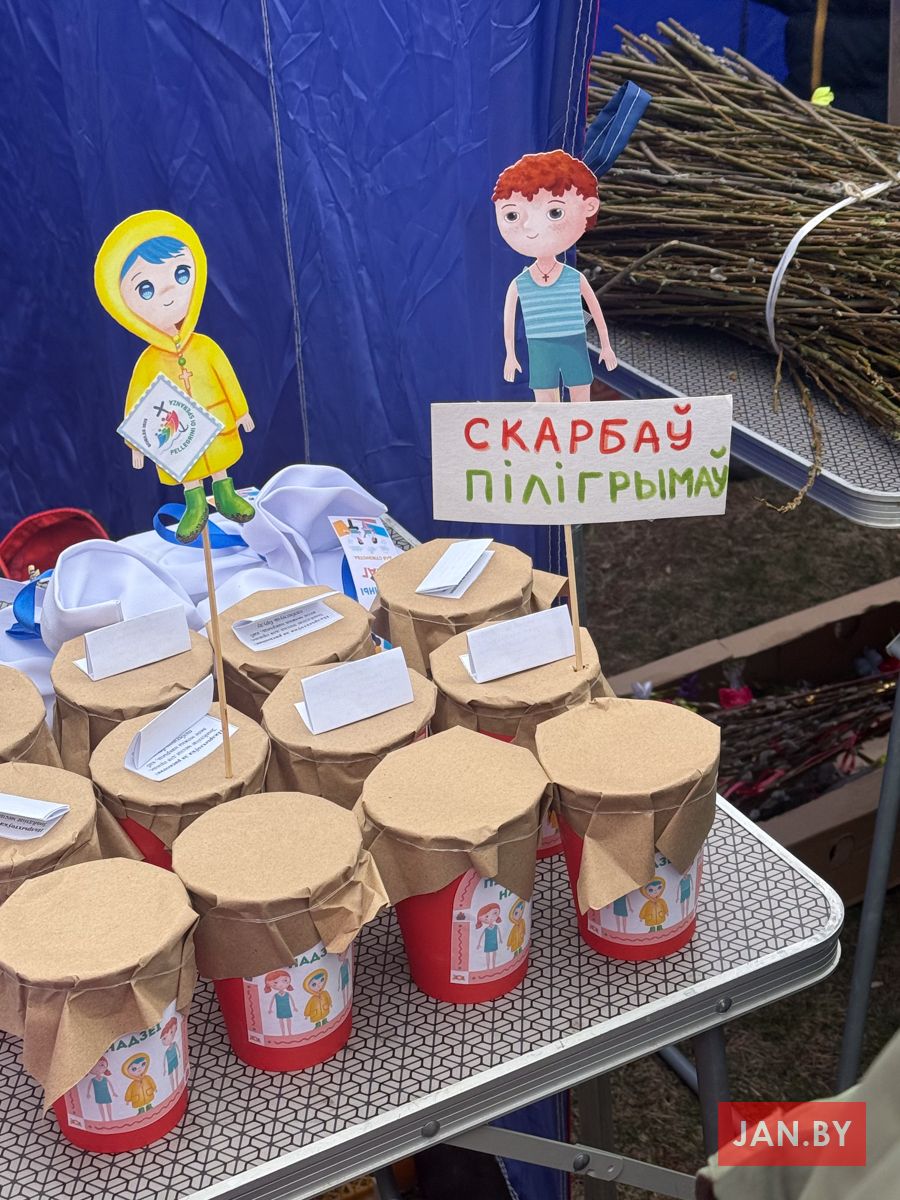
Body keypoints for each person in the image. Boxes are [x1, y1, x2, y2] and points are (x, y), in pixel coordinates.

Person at [94, 211, 256, 544]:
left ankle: (225, 493)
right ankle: (194, 503)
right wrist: (135, 444)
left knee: (220, 462)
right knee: (188, 467)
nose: (168, 293)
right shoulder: (147, 364)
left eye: (181, 273)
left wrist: (241, 411)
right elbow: (138, 403)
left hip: (217, 421)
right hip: (178, 435)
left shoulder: (206, 347)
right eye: (146, 289)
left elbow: (226, 376)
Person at [493, 149, 617, 402]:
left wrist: (606, 346)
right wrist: (510, 355)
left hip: (574, 342)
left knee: (581, 399)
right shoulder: (519, 284)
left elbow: (595, 311)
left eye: (554, 212)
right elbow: (508, 322)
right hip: (539, 346)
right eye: (512, 215)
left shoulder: (574, 278)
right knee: (545, 402)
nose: (531, 227)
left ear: (589, 207)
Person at [264, 969, 298, 1036]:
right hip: (280, 1010)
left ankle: (290, 1033)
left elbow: (292, 1000)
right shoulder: (275, 995)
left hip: (287, 1009)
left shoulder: (287, 994)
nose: (280, 985)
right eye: (275, 983)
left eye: (284, 981)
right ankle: (283, 1034)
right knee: (281, 1021)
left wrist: (294, 1007)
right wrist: (270, 1009)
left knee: (288, 1020)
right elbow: (271, 1002)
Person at [475, 902, 503, 969]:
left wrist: (500, 939)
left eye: (494, 913)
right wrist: (479, 944)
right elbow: (481, 936)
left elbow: (499, 933)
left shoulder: (496, 927)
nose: (491, 918)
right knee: (487, 954)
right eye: (486, 917)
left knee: (494, 954)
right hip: (488, 943)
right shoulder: (486, 929)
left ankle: (493, 965)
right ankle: (487, 967)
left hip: (494, 942)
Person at [160, 1016, 182, 1093]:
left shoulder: (174, 1043)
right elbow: (164, 1060)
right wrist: (164, 1069)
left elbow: (178, 1049)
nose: (169, 1037)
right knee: (171, 1076)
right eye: (164, 1038)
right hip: (170, 1063)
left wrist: (179, 1054)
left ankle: (178, 1085)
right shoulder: (166, 1051)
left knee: (177, 1073)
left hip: (175, 1059)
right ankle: (173, 1090)